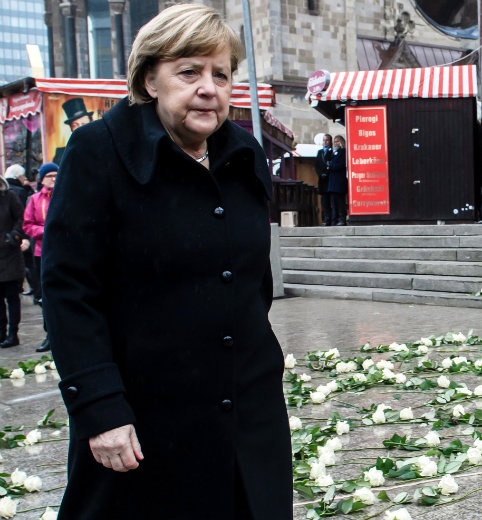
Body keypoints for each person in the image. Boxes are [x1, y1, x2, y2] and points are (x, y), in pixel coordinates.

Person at [42, 4, 291, 519]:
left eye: (221, 74)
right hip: (143, 421)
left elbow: (252, 284)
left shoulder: (244, 152)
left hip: (247, 414)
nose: (209, 87)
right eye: (189, 72)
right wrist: (99, 408)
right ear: (150, 79)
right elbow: (69, 292)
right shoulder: (98, 152)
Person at [23, 162, 56, 353]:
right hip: (42, 251)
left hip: (66, 250)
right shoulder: (35, 199)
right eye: (49, 176)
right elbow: (27, 224)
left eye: (56, 175)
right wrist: (45, 231)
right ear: (42, 179)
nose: (53, 179)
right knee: (46, 295)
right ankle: (49, 334)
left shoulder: (66, 195)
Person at [0, 175, 27, 348]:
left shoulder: (9, 196)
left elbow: (21, 218)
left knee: (11, 297)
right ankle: (1, 333)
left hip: (9, 255)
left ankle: (13, 334)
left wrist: (13, 237)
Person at [4, 164, 36, 297]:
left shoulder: (10, 192)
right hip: (19, 235)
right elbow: (22, 215)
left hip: (12, 235)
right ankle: (34, 288)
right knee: (28, 263)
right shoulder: (19, 192)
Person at [328, 134, 348, 225]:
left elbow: (341, 165)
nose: (335, 143)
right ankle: (334, 219)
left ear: (341, 142)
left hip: (339, 181)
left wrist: (331, 166)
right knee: (334, 202)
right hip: (333, 181)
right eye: (334, 142)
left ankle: (342, 219)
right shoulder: (333, 153)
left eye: (337, 141)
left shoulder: (343, 152)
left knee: (340, 202)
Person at [315, 134, 333, 225]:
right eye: (324, 140)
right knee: (325, 202)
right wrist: (321, 174)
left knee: (332, 201)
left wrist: (327, 173)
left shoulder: (332, 151)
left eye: (327, 140)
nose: (325, 142)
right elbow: (317, 165)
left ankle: (333, 219)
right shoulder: (320, 152)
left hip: (330, 179)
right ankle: (327, 219)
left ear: (330, 141)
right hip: (322, 180)